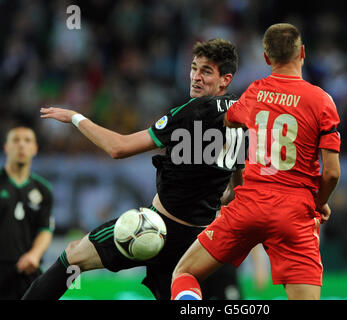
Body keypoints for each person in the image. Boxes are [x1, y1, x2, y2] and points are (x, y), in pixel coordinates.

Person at [22, 38, 247, 300]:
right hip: (196, 241)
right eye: (194, 68)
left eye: (206, 71)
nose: (196, 77)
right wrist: (229, 192)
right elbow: (237, 179)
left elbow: (118, 147)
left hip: (156, 227)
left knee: (72, 256)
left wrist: (76, 118)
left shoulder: (190, 112)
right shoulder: (240, 115)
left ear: (225, 79)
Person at [171, 23, 341, 300]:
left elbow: (226, 121)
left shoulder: (254, 93)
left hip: (249, 205)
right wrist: (319, 202)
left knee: (184, 274)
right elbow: (332, 174)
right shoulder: (322, 101)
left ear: (265, 57)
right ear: (303, 53)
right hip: (295, 212)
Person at [0, 126, 54, 299]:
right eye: (16, 140)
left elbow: (45, 229)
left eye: (27, 140)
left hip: (28, 270)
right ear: (6, 147)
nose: (21, 145)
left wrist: (34, 255)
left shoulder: (43, 190)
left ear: (35, 149)